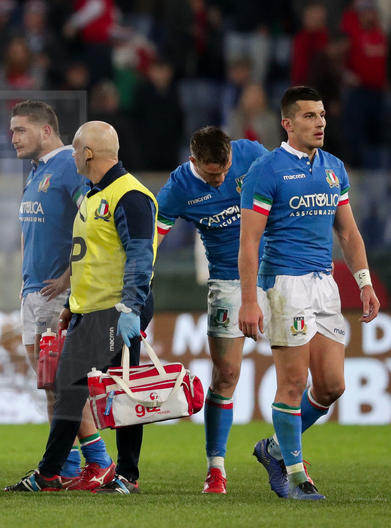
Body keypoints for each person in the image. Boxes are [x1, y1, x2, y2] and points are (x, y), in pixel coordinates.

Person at [238, 86, 381, 501]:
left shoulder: (334, 167)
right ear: (287, 123)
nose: (320, 122)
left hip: (324, 283)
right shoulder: (267, 170)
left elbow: (348, 231)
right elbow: (249, 242)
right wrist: (250, 299)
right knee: (293, 381)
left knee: (332, 386)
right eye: (309, 117)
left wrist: (365, 281)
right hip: (284, 283)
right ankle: (299, 478)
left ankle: (275, 448)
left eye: (321, 115)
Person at [5, 121, 156, 494]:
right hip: (91, 309)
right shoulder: (93, 195)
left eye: (75, 151)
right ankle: (61, 473)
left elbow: (140, 256)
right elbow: (90, 259)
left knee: (114, 389)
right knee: (79, 387)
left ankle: (106, 475)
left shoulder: (130, 195)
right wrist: (72, 306)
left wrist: (131, 309)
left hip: (117, 309)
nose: (72, 158)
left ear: (87, 153)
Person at [155, 126, 269, 494]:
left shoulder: (251, 154)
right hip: (227, 281)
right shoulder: (177, 190)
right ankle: (216, 468)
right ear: (193, 162)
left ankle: (288, 457)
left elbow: (287, 185)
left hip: (277, 271)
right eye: (211, 174)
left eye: (224, 171)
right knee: (227, 373)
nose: (220, 180)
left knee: (302, 374)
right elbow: (153, 238)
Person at [11, 100, 116, 490]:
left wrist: (70, 278)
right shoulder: (37, 172)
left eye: (20, 130)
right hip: (32, 291)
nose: (13, 138)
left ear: (45, 131)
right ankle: (69, 467)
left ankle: (99, 460)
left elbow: (93, 225)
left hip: (57, 296)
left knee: (60, 382)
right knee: (49, 383)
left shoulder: (69, 169)